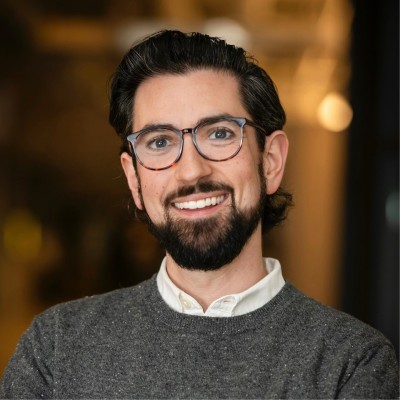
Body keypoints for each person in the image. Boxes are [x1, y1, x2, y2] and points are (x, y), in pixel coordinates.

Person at [0, 30, 398, 399]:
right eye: (159, 142)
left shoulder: (351, 362)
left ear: (271, 161)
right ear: (134, 179)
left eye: (220, 134)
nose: (191, 171)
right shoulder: (55, 349)